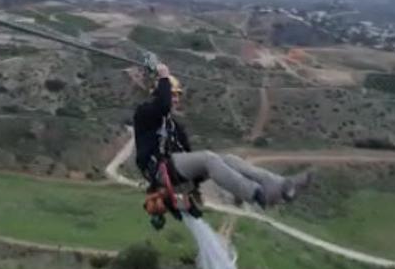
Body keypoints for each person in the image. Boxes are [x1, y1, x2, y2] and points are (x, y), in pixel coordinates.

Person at [133, 63, 311, 210]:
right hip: (159, 172)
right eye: (172, 95)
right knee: (208, 158)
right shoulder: (144, 113)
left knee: (229, 159)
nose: (176, 100)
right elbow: (162, 106)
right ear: (159, 94)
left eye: (178, 96)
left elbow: (186, 155)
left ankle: (280, 186)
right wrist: (164, 76)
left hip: (175, 173)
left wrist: (193, 190)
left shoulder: (173, 126)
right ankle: (256, 193)